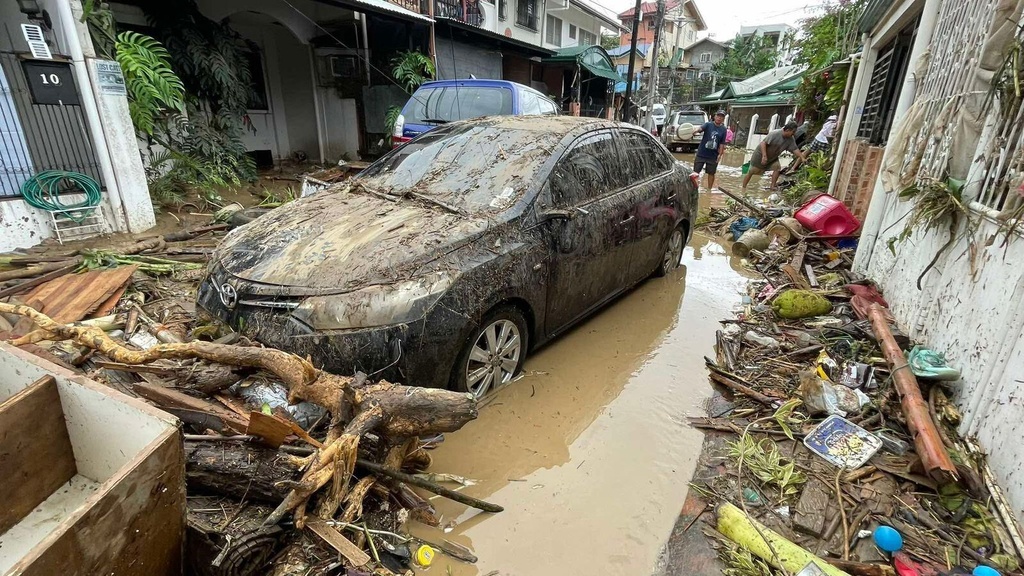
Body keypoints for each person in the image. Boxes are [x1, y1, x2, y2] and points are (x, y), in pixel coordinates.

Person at [742, 121, 808, 192]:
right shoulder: (775, 133)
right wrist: (764, 156)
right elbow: (763, 143)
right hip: (760, 155)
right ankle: (743, 188)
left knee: (777, 168)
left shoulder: (790, 139)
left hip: (773, 158)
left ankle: (772, 186)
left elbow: (795, 149)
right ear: (788, 130)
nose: (794, 134)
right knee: (752, 171)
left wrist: (802, 157)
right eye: (793, 132)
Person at [691, 110, 728, 191]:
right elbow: (701, 128)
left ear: (723, 119)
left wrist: (720, 154)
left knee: (711, 173)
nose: (719, 118)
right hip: (701, 153)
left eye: (721, 117)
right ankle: (693, 188)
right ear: (714, 116)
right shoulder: (708, 125)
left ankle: (709, 190)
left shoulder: (723, 129)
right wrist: (696, 131)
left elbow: (722, 143)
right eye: (718, 116)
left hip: (713, 155)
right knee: (695, 172)